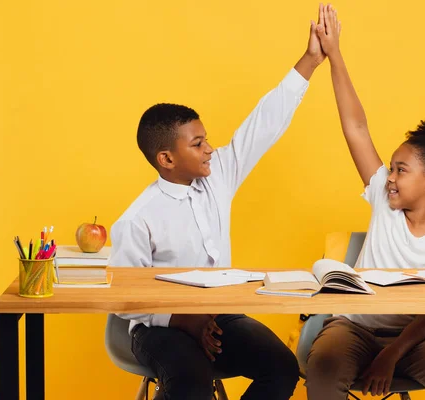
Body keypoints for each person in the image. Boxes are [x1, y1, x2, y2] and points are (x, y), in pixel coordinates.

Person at [109, 5, 329, 399]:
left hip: (220, 314)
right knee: (190, 379)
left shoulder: (217, 177)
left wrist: (311, 60)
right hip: (158, 327)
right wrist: (184, 321)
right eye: (198, 144)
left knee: (281, 368)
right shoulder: (137, 219)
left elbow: (264, 123)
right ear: (167, 159)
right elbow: (125, 301)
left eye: (206, 139)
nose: (211, 149)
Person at [306, 4, 425, 399]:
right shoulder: (383, 202)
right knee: (322, 373)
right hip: (352, 326)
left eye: (401, 170)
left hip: (412, 338)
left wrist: (391, 354)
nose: (389, 177)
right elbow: (355, 126)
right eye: (391, 168)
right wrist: (335, 54)